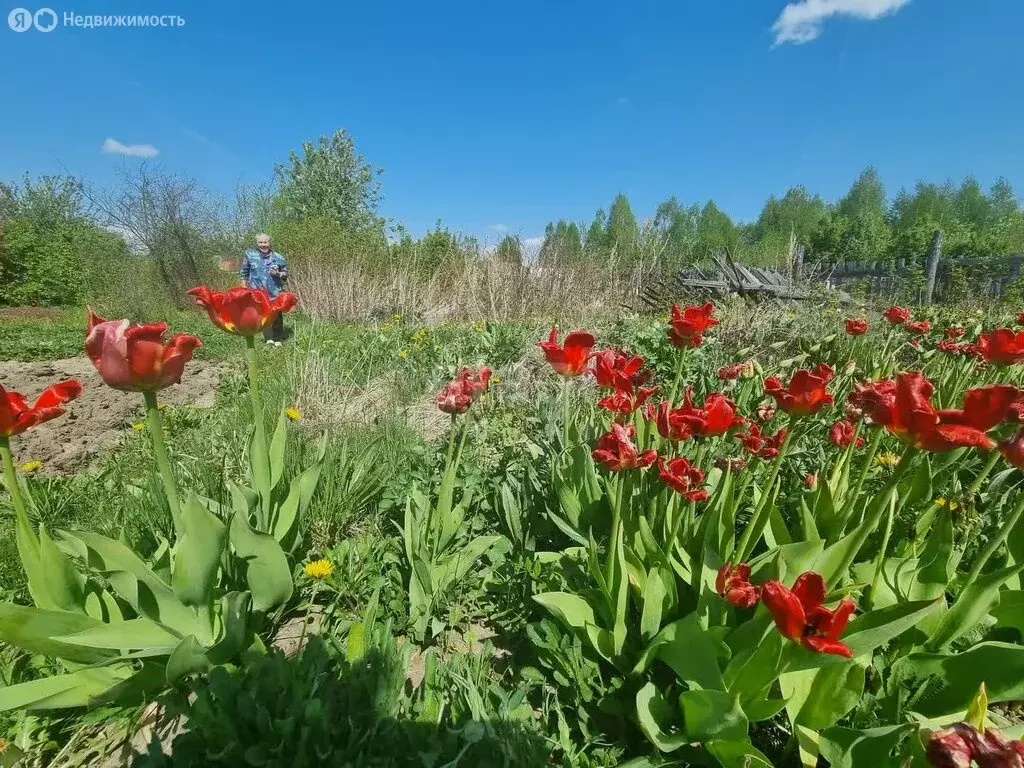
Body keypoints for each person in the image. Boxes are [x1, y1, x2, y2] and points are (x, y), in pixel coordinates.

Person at [240, 234, 289, 346]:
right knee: (263, 315)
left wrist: (278, 274)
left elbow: (285, 275)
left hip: (275, 292)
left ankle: (278, 339)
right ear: (257, 243)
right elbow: (244, 273)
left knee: (276, 315)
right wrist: (243, 288)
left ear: (270, 243)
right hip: (257, 292)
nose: (263, 245)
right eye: (260, 243)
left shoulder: (278, 257)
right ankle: (268, 338)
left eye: (265, 242)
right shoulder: (250, 255)